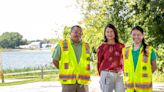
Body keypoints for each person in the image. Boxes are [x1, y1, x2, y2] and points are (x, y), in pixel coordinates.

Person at [52, 25, 91, 92]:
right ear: (70, 33)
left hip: (83, 83)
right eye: (75, 32)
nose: (77, 34)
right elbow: (55, 61)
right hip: (68, 83)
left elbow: (89, 62)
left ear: (82, 34)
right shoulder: (62, 45)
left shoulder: (87, 46)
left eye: (80, 32)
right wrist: (63, 69)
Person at [122, 26, 157, 92]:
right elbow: (124, 67)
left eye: (138, 34)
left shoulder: (150, 50)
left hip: (144, 89)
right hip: (130, 88)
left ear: (142, 36)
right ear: (131, 35)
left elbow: (154, 67)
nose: (136, 37)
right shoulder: (125, 51)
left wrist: (144, 73)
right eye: (134, 34)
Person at [97, 23, 125, 92]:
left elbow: (125, 61)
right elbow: (99, 62)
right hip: (106, 74)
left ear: (115, 32)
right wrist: (102, 75)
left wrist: (123, 71)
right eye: (107, 32)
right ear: (105, 34)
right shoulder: (102, 47)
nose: (109, 33)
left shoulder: (121, 46)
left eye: (111, 31)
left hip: (119, 75)